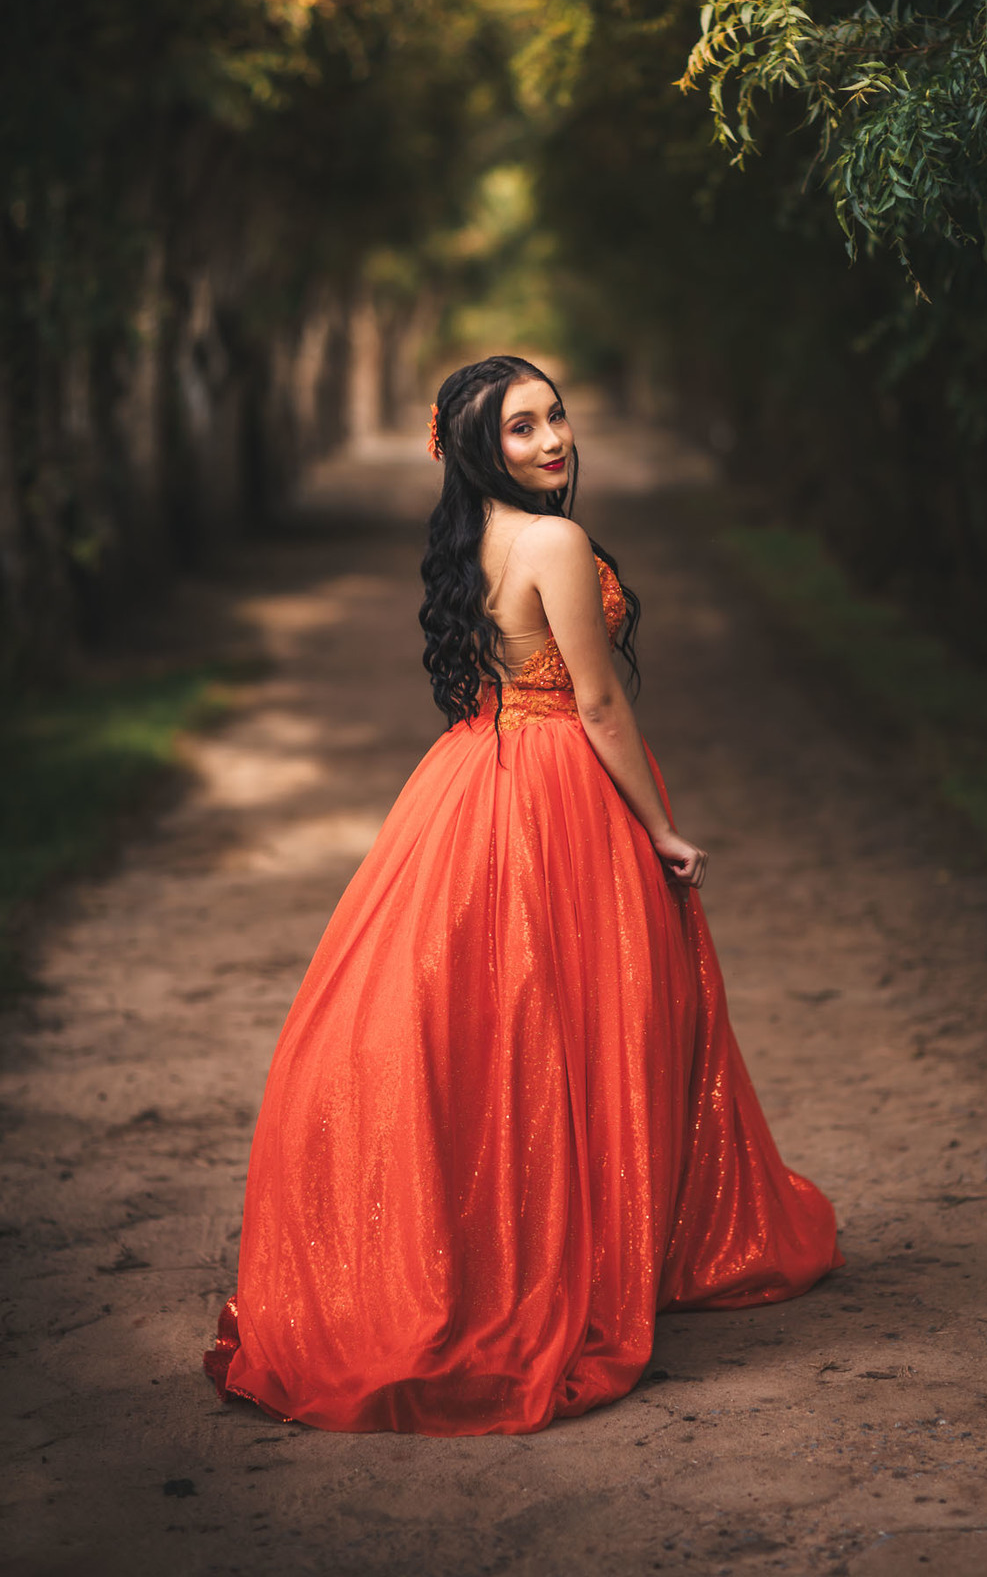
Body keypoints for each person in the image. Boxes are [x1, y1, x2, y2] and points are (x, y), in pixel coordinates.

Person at [204, 353, 842, 1436]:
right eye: (521, 430)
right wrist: (660, 827)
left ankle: (518, 1239)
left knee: (496, 1019)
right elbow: (596, 704)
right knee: (591, 1016)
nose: (553, 441)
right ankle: (569, 1251)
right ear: (473, 448)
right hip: (559, 793)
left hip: (471, 773)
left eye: (556, 418)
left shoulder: (474, 539)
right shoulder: (553, 538)